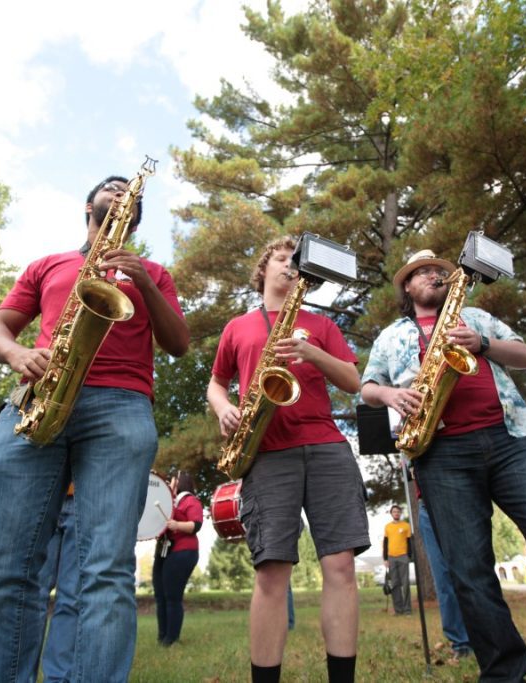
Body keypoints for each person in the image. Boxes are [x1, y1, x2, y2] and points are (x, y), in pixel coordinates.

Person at [361, 249, 526, 682]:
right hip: (440, 452)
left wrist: (481, 343)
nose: (433, 274)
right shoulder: (391, 335)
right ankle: (504, 674)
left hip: (512, 441)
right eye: (422, 272)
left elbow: (525, 356)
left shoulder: (476, 316)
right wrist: (390, 395)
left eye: (439, 270)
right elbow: (368, 387)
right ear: (407, 288)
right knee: (469, 571)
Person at [0, 173, 190, 683]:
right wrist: (18, 352)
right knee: (7, 572)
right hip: (39, 399)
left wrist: (142, 281)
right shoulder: (47, 263)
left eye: (129, 192)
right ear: (87, 204)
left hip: (122, 407)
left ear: (136, 216)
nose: (119, 192)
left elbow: (178, 343)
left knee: (107, 573)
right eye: (110, 186)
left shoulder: (154, 272)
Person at [207, 235, 370, 683]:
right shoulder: (238, 327)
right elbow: (217, 384)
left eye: (296, 262)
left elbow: (354, 382)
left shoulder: (321, 324)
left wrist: (312, 352)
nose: (290, 266)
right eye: (282, 259)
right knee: (272, 571)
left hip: (326, 446)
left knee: (340, 565)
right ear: (263, 270)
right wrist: (224, 409)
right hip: (265, 451)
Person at [415, 494, 472, 658]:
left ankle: (488, 636)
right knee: (443, 578)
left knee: (472, 571)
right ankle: (461, 643)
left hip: (458, 497)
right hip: (427, 504)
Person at [152, 470, 203, 646]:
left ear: (181, 482)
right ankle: (162, 637)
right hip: (164, 550)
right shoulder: (168, 502)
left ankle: (171, 638)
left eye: (173, 480)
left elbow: (196, 525)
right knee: (160, 595)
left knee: (172, 596)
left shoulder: (190, 500)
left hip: (182, 551)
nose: (170, 482)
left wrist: (177, 525)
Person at [37, 490, 77, 682]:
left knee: (71, 598)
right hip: (44, 494)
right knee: (31, 594)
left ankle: (58, 678)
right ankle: (13, 672)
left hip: (84, 498)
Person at [381, 504, 412, 615]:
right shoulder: (387, 527)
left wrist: (409, 556)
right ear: (391, 513)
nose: (396, 513)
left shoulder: (406, 526)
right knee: (395, 584)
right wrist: (385, 558)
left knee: (406, 583)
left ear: (400, 513)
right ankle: (398, 610)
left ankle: (407, 610)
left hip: (403, 556)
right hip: (391, 557)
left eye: (398, 512)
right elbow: (385, 543)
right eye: (394, 512)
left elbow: (409, 542)